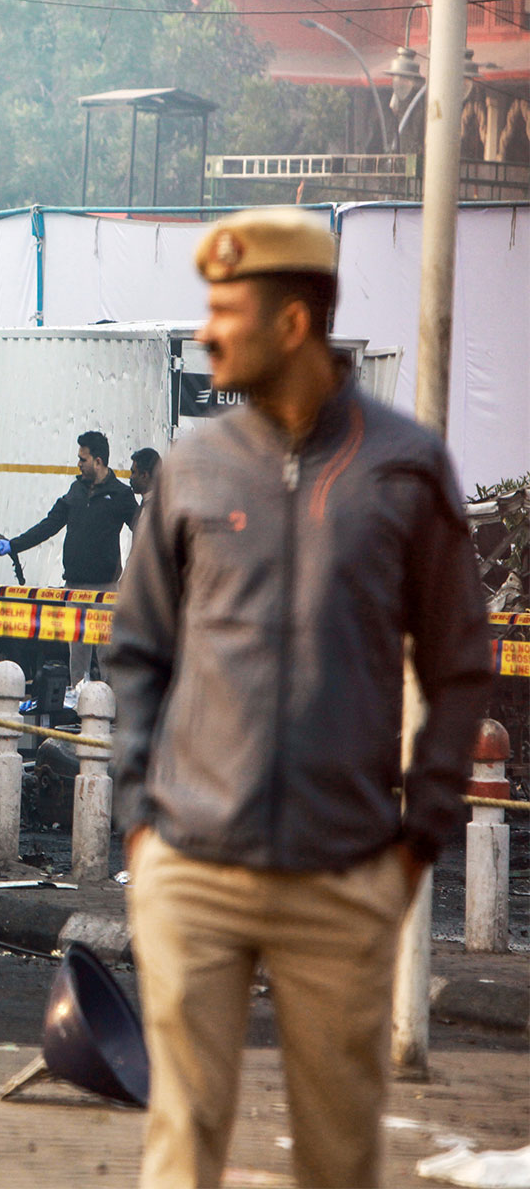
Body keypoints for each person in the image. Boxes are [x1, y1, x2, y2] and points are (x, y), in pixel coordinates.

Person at [107, 207, 493, 1188]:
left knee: (337, 1157)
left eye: (226, 311)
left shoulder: (402, 467)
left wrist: (417, 840)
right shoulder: (193, 466)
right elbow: (138, 649)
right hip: (190, 867)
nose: (206, 332)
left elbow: (457, 662)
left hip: (344, 878)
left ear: (289, 325)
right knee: (180, 1144)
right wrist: (138, 821)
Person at [0, 430, 135, 681]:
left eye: (83, 459)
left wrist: (134, 573)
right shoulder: (75, 490)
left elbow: (142, 529)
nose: (78, 464)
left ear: (98, 461)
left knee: (108, 654)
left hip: (105, 590)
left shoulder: (120, 495)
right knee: (77, 655)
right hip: (73, 587)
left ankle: (112, 707)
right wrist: (14, 545)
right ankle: (80, 705)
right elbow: (49, 525)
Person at [128, 447, 160, 529]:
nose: (130, 477)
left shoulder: (159, 509)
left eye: (133, 472)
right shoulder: (144, 504)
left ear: (144, 475)